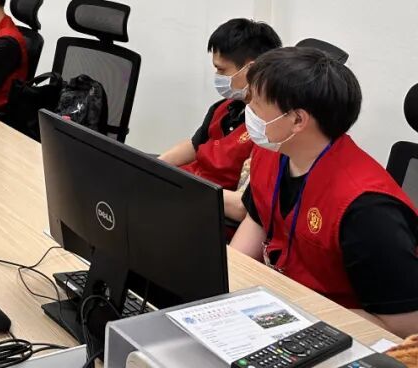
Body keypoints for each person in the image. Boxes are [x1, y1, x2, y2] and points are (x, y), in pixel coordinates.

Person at [231, 47, 418, 336]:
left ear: (297, 120)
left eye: (256, 104)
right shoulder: (273, 152)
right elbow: (256, 221)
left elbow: (407, 325)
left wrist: (296, 308)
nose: (249, 111)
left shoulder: (366, 208)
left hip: (340, 332)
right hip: (281, 309)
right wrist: (227, 285)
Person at [158, 18, 282, 221]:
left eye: (222, 70)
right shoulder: (224, 107)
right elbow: (194, 145)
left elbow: (243, 207)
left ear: (251, 70)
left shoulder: (269, 130)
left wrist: (181, 186)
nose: (217, 75)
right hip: (185, 189)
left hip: (208, 210)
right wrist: (155, 166)